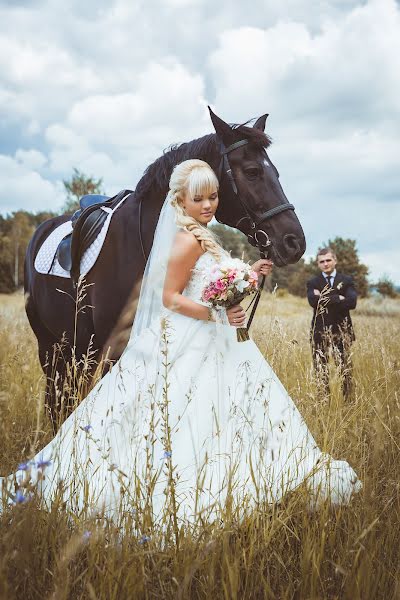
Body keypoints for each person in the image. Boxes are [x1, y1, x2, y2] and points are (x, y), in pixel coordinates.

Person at [1, 161, 361, 525]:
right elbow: (170, 298)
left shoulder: (201, 234)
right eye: (199, 198)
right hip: (195, 333)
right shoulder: (188, 239)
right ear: (181, 200)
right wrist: (217, 316)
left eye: (214, 197)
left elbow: (206, 287)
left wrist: (249, 275)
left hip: (212, 337)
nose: (208, 205)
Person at [307, 248, 357, 399]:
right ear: (318, 264)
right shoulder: (313, 282)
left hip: (342, 331)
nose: (325, 264)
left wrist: (323, 297)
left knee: (345, 369)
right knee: (320, 369)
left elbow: (352, 302)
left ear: (335, 260)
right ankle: (323, 402)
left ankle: (348, 403)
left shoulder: (347, 280)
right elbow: (313, 302)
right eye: (322, 261)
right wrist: (338, 298)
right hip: (319, 332)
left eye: (328, 260)